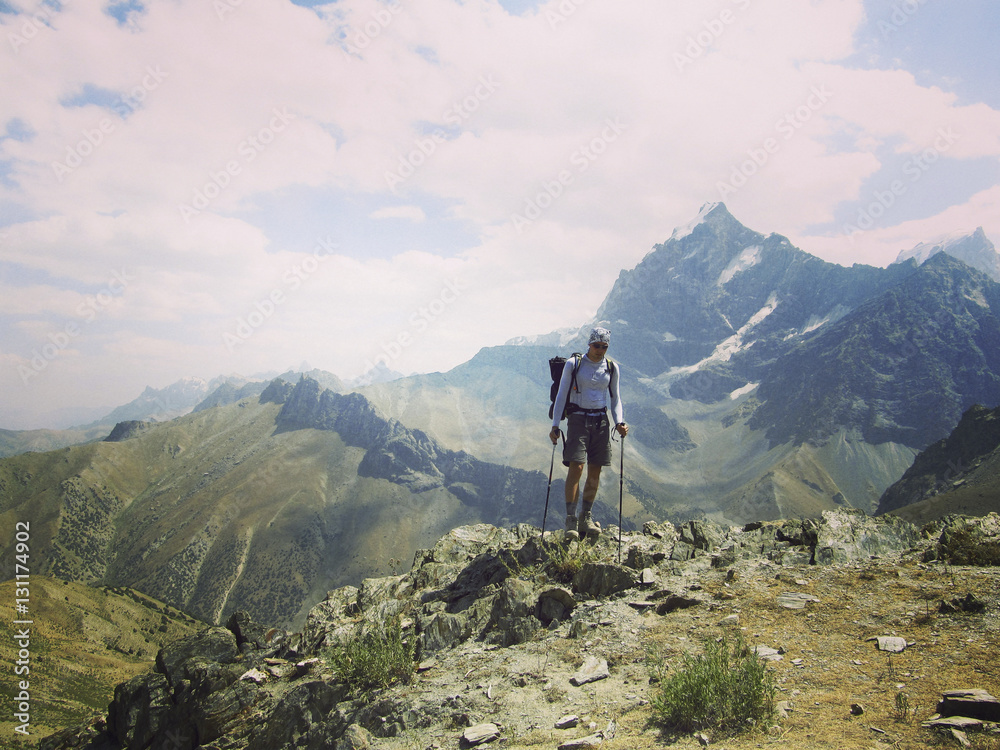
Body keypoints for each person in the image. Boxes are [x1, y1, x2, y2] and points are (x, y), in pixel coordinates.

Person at [548, 327, 628, 540]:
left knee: (595, 470)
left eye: (604, 347)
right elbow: (562, 395)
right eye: (596, 346)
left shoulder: (612, 368)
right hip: (578, 419)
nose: (600, 350)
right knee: (577, 467)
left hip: (601, 420)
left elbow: (615, 398)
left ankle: (586, 518)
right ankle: (571, 520)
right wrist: (555, 425)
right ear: (589, 344)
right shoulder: (574, 365)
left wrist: (619, 421)